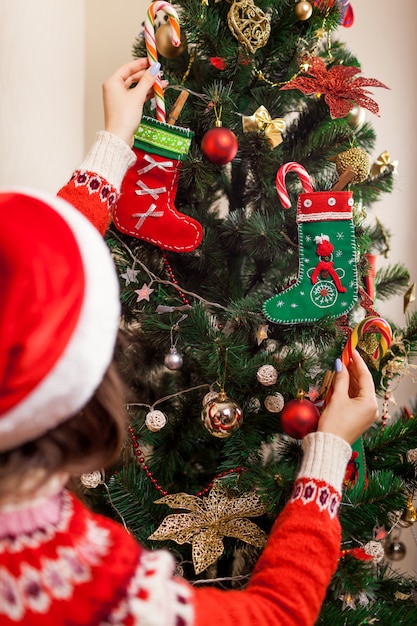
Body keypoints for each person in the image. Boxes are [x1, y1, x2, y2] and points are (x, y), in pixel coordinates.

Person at [0, 58, 379, 626]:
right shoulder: (85, 584)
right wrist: (328, 455)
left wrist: (115, 141)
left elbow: (34, 269)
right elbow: (274, 614)